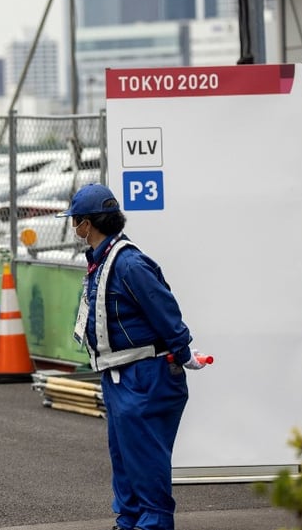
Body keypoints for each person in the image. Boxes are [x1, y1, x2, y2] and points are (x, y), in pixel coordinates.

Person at [56, 183, 207, 530]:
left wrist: (182, 351)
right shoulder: (105, 260)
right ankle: (131, 520)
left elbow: (164, 310)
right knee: (125, 457)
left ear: (87, 224)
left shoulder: (128, 264)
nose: (74, 227)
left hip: (145, 373)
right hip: (121, 373)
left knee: (144, 457)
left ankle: (152, 523)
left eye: (75, 220)